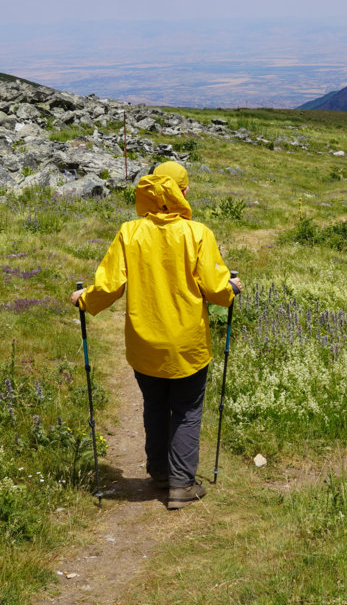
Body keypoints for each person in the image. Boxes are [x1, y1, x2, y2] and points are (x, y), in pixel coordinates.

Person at [71, 160, 241, 510]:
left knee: (155, 406)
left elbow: (110, 286)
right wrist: (232, 289)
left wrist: (84, 300)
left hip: (144, 342)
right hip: (188, 344)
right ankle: (181, 485)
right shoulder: (198, 234)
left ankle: (159, 473)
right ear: (184, 191)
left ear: (149, 190)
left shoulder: (130, 232)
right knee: (187, 410)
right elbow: (216, 289)